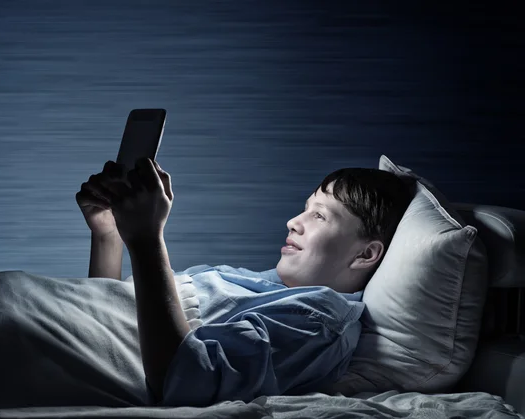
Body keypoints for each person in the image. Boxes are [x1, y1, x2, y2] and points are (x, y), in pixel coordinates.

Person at [75, 158, 413, 406]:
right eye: (305, 209)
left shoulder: (321, 321)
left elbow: (188, 382)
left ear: (365, 255)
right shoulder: (249, 282)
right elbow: (107, 314)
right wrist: (108, 235)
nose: (293, 222)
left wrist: (148, 238)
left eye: (319, 216)